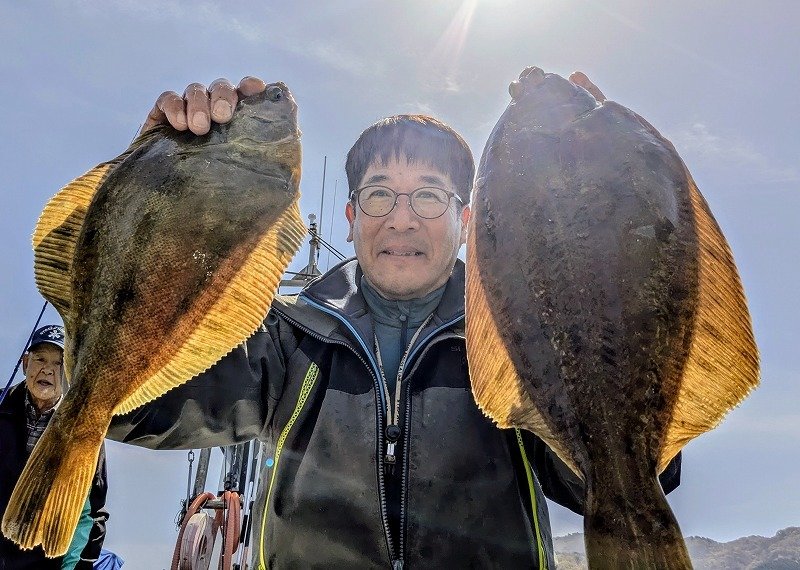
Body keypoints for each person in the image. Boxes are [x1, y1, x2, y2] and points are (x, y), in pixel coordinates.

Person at [109, 76, 681, 568]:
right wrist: (148, 195)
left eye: (429, 197)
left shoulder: (516, 338)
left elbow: (604, 480)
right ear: (351, 217)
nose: (402, 221)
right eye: (380, 196)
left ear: (465, 221)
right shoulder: (286, 339)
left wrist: (608, 234)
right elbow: (130, 405)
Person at [0, 325, 109, 570]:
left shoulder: (86, 431)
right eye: (40, 359)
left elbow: (91, 513)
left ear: (71, 372)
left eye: (59, 363)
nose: (48, 369)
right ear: (25, 363)